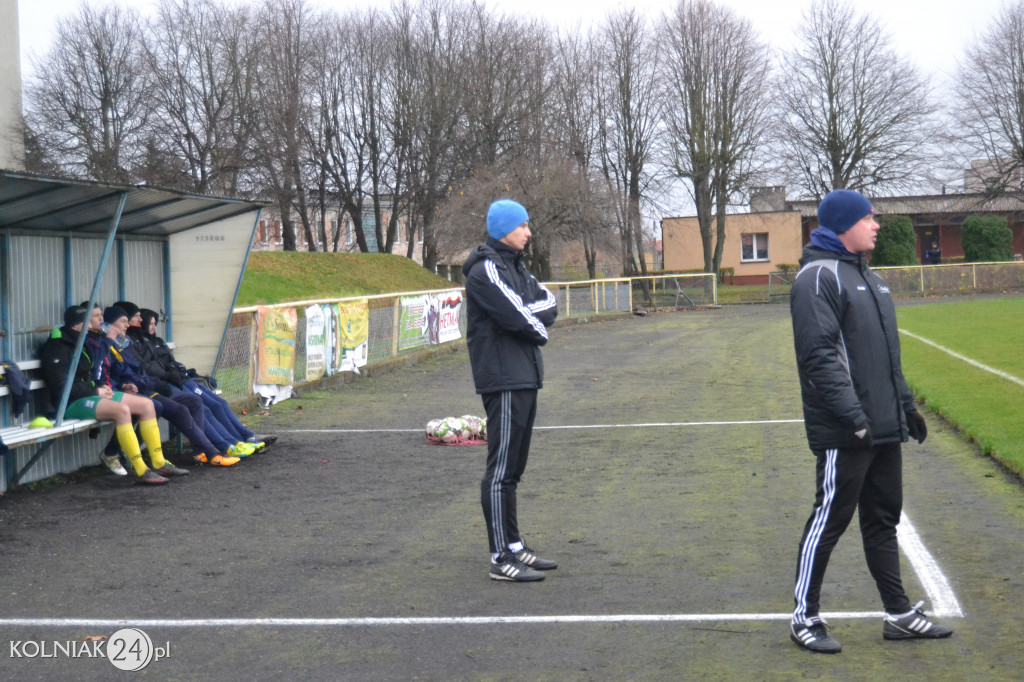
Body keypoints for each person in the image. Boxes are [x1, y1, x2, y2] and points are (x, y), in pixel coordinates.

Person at [789, 189, 953, 653]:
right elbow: (819, 358)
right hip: (848, 430)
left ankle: (899, 615)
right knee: (829, 521)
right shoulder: (817, 277)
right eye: (869, 218)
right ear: (844, 224)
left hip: (883, 426)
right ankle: (804, 617)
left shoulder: (873, 281)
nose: (877, 224)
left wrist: (905, 408)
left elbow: (888, 358)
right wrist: (854, 418)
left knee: (883, 520)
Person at [462, 199, 558, 582]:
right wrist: (537, 329)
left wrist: (529, 319)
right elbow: (520, 317)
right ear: (504, 228)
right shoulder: (485, 270)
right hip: (502, 377)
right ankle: (500, 557)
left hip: (524, 376)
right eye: (523, 226)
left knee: (514, 469)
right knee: (500, 470)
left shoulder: (516, 266)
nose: (529, 232)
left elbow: (548, 302)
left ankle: (515, 546)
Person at [38, 305, 170, 484]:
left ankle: (159, 461)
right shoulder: (57, 347)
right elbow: (61, 389)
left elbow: (95, 372)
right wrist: (95, 389)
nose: (101, 321)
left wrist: (106, 386)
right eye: (95, 318)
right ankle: (141, 470)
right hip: (69, 403)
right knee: (122, 410)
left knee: (147, 405)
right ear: (80, 324)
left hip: (93, 393)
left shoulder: (84, 341)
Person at [120, 303, 276, 453]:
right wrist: (169, 374)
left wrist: (180, 370)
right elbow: (146, 366)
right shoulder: (132, 341)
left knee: (218, 403)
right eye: (148, 321)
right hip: (164, 384)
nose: (149, 325)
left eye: (152, 322)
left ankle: (246, 437)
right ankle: (229, 444)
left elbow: (164, 362)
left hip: (179, 379)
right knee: (204, 407)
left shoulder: (151, 340)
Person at [99, 306, 241, 468]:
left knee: (196, 401)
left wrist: (169, 373)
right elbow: (119, 372)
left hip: (149, 385)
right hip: (137, 389)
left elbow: (140, 367)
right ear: (109, 325)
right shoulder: (109, 343)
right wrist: (154, 382)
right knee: (171, 408)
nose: (128, 325)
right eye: (123, 321)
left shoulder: (124, 342)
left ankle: (202, 450)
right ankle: (212, 452)